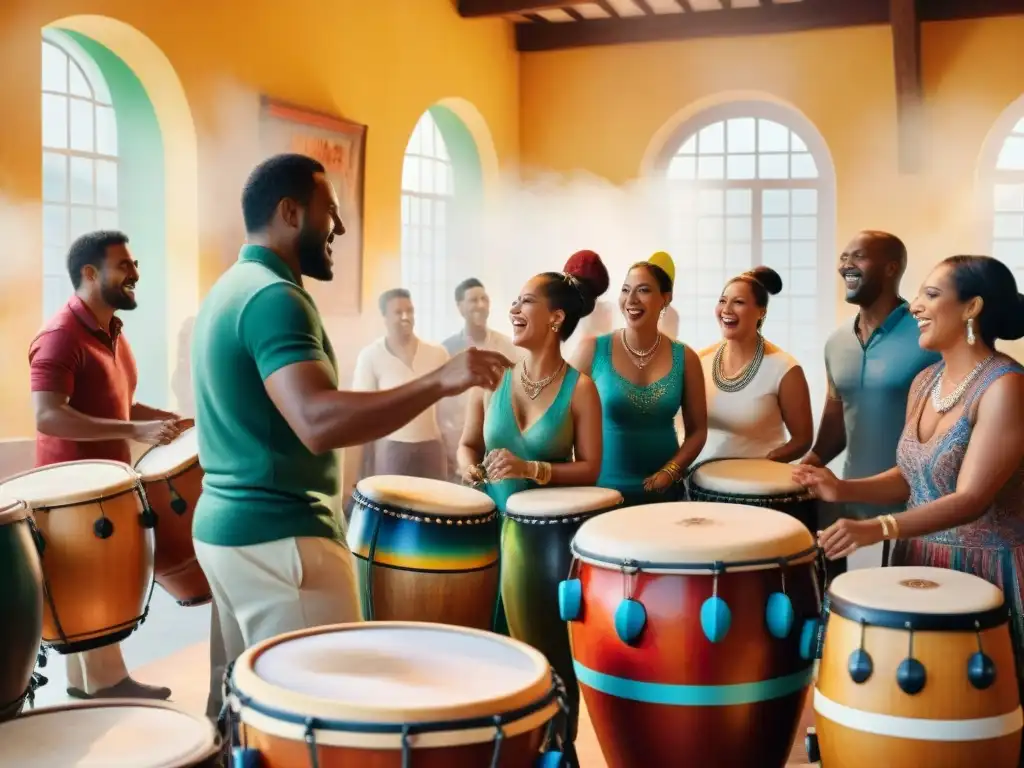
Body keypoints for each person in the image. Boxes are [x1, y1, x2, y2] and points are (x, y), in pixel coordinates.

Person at [190, 153, 511, 724]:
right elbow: (318, 422)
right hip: (279, 541)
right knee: (327, 721)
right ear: (290, 213)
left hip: (226, 530)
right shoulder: (273, 298)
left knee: (251, 720)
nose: (339, 228)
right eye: (329, 212)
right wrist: (439, 380)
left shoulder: (229, 288)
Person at [795, 255, 1024, 686]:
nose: (915, 305)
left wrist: (878, 528)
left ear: (972, 307)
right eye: (918, 294)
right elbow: (910, 476)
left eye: (931, 295)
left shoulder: (1005, 386)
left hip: (985, 574)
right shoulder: (925, 382)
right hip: (916, 562)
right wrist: (839, 487)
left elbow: (970, 499)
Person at [457, 249, 606, 768]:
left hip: (548, 545)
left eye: (525, 302)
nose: (513, 310)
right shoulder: (493, 378)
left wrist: (531, 470)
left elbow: (590, 468)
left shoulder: (581, 390)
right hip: (488, 536)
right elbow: (467, 444)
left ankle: (559, 754)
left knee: (552, 657)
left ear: (557, 318)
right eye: (514, 302)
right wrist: (469, 468)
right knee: (490, 655)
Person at [29, 230, 186, 701]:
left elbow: (117, 404)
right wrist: (130, 432)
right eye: (124, 265)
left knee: (91, 585)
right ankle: (108, 682)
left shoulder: (113, 331)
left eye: (134, 263)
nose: (135, 273)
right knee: (94, 585)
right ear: (90, 273)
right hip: (70, 494)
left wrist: (159, 419)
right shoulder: (59, 336)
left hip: (103, 486)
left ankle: (85, 684)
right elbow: (48, 415)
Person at [800, 231, 940, 575]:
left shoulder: (929, 337)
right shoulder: (836, 342)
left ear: (891, 268)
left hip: (912, 512)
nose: (846, 264)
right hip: (846, 507)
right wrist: (811, 461)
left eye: (858, 256)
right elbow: (837, 419)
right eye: (844, 256)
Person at [572, 252, 707, 506]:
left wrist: (671, 471)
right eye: (625, 290)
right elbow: (559, 413)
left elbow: (698, 431)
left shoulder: (685, 357)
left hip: (664, 493)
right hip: (602, 492)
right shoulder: (592, 350)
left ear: (665, 299)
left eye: (643, 290)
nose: (631, 300)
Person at [696, 266, 813, 464]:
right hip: (697, 481)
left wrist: (761, 468)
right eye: (722, 301)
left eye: (738, 302)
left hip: (758, 486)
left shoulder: (784, 368)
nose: (726, 310)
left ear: (761, 312)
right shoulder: (699, 360)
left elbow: (802, 440)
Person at [351, 289, 450, 482]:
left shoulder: (437, 354)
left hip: (431, 447)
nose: (406, 317)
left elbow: (450, 409)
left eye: (410, 311)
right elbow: (361, 413)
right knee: (392, 506)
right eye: (398, 312)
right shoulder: (371, 356)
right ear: (385, 317)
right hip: (391, 448)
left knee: (435, 506)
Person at [438, 278, 519, 481]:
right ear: (460, 307)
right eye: (473, 300)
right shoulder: (446, 350)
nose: (481, 305)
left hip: (499, 456)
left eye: (484, 299)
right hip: (457, 456)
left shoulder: (507, 346)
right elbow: (439, 408)